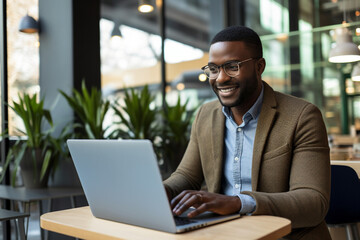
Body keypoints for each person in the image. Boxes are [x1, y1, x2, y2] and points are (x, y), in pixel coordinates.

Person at [163, 25, 331, 239]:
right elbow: (187, 176)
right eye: (213, 69)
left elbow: (313, 202)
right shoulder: (206, 115)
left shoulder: (302, 116)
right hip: (224, 233)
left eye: (232, 67)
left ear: (259, 66)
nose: (221, 78)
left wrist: (237, 203)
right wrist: (160, 192)